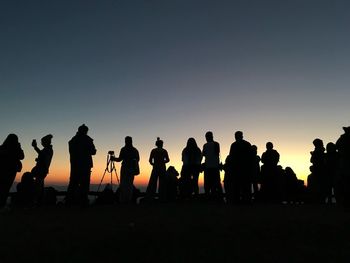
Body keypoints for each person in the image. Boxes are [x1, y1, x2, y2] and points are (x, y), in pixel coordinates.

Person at [66, 124, 96, 206]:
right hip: (85, 165)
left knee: (73, 183)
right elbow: (93, 151)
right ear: (85, 131)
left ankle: (69, 201)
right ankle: (83, 201)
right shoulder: (87, 140)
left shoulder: (73, 140)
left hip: (75, 165)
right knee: (85, 184)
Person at [227, 131, 254, 204]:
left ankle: (237, 200)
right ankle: (247, 200)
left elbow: (231, 157)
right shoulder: (247, 144)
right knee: (245, 186)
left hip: (237, 168)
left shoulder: (234, 145)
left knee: (237, 185)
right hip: (244, 168)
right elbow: (251, 157)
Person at [112, 136, 140, 204]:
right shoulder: (135, 150)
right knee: (129, 184)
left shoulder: (123, 149)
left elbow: (120, 159)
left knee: (123, 184)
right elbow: (138, 159)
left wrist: (113, 159)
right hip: (131, 169)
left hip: (125, 168)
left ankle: (123, 200)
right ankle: (128, 200)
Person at [0, 134, 24, 208]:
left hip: (2, 170)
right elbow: (22, 156)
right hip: (11, 171)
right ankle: (2, 205)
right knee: (6, 188)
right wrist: (19, 147)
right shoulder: (16, 149)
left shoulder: (2, 147)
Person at [31, 134, 53, 205]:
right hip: (43, 170)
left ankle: (37, 201)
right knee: (39, 185)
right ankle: (40, 201)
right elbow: (43, 157)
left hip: (42, 170)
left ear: (45, 142)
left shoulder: (48, 149)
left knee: (38, 186)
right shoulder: (48, 149)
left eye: (42, 142)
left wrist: (35, 147)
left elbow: (43, 156)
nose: (41, 143)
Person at [202, 131, 222, 201]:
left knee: (207, 183)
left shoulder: (205, 145)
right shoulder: (216, 144)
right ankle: (218, 197)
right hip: (215, 166)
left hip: (208, 166)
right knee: (216, 182)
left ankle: (208, 198)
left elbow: (203, 154)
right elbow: (217, 153)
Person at [335, 126, 350, 206]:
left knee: (344, 181)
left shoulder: (342, 138)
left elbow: (336, 146)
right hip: (344, 162)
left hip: (343, 162)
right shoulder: (343, 138)